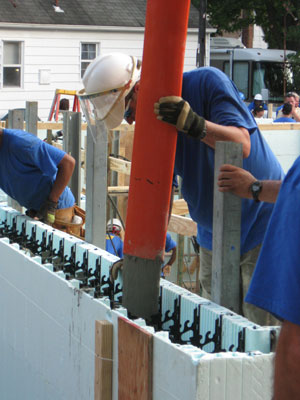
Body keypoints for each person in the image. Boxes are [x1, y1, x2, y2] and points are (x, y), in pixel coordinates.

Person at [80, 53, 284, 326]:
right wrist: (140, 258)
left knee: (262, 332)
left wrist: (195, 125)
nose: (129, 122)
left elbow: (242, 144)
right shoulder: (153, 127)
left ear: (138, 89)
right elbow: (159, 194)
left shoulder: (207, 82)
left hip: (262, 225)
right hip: (212, 236)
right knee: (220, 330)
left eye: (127, 112)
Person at [0, 128, 81, 231]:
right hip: (36, 210)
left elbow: (68, 163)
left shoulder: (21, 142)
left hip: (58, 211)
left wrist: (51, 203)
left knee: (59, 244)